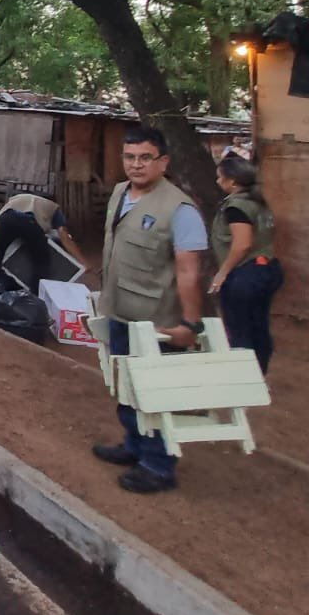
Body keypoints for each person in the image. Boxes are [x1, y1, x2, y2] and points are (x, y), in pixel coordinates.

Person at [90, 126, 209, 494]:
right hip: (120, 311)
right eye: (130, 157)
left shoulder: (180, 209)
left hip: (157, 320)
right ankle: (134, 446)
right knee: (126, 386)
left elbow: (189, 272)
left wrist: (190, 323)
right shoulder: (119, 194)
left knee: (156, 393)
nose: (136, 165)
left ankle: (158, 467)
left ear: (163, 162)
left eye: (145, 158)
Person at [209, 154, 282, 374]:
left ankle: (243, 377)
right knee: (258, 325)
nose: (217, 182)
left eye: (219, 178)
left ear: (232, 181)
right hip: (267, 269)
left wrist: (222, 273)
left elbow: (242, 244)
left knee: (239, 329)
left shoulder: (237, 206)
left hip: (246, 275)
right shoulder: (257, 202)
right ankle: (259, 374)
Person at [0, 192, 89, 293]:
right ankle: (35, 295)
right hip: (29, 223)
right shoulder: (54, 207)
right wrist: (83, 262)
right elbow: (64, 236)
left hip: (6, 220)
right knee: (41, 264)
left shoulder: (17, 198)